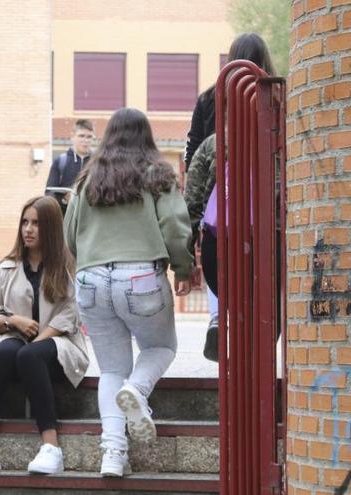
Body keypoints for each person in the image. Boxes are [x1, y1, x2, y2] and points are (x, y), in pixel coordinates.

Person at [65, 107, 193, 477]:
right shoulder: (157, 173)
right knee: (161, 347)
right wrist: (183, 267)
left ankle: (113, 454)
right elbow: (174, 225)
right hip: (140, 277)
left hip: (90, 278)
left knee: (111, 370)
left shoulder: (88, 178)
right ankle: (138, 390)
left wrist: (91, 259)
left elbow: (69, 235)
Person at [0, 196, 89, 475]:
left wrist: (38, 338)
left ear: (49, 227)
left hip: (60, 346)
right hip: (16, 343)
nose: (28, 229)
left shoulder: (67, 267)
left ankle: (51, 446)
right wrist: (14, 321)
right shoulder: (7, 267)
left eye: (36, 223)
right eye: (25, 222)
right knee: (1, 353)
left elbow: (69, 315)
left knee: (30, 354)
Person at [183, 33, 275, 361]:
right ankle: (254, 352)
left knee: (225, 280)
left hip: (218, 212)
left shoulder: (210, 98)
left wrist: (184, 254)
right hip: (266, 223)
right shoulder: (275, 96)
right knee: (263, 303)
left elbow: (194, 150)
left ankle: (219, 319)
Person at [45, 119, 96, 213]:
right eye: (81, 136)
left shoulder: (98, 163)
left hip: (90, 218)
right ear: (72, 136)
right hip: (65, 217)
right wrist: (64, 200)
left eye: (89, 137)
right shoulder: (61, 161)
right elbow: (49, 193)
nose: (85, 140)